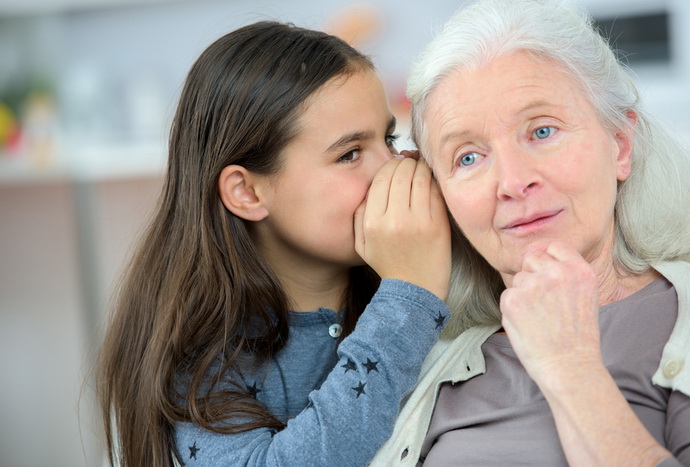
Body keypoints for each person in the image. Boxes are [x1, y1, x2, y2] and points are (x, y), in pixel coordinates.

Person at [96, 21, 452, 466]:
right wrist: (410, 298)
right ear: (247, 193)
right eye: (349, 154)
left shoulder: (423, 259)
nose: (393, 169)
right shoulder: (204, 355)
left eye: (389, 138)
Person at [370, 0, 690, 465]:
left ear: (620, 146)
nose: (511, 182)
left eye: (542, 131)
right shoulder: (420, 359)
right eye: (468, 157)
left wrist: (570, 364)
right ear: (439, 195)